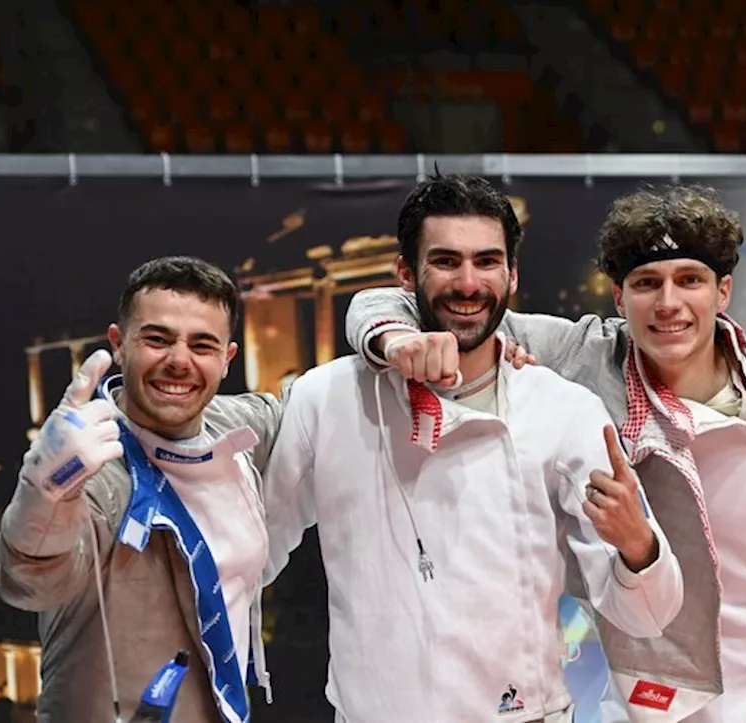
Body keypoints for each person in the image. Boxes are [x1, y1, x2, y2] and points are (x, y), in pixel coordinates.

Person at [345, 184, 746, 721]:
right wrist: (394, 339)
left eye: (690, 280)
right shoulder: (584, 356)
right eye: (646, 283)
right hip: (654, 690)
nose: (669, 303)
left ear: (723, 292)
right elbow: (428, 301)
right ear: (618, 296)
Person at [261, 174, 686, 723]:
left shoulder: (564, 409)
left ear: (512, 276)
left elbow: (647, 614)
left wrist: (637, 546)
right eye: (446, 261)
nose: (468, 283)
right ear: (406, 276)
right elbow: (255, 553)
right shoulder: (329, 398)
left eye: (487, 262)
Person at [0, 256, 283, 723]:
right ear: (119, 344)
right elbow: (29, 582)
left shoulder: (239, 425)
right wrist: (43, 493)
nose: (179, 361)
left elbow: (325, 395)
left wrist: (386, 333)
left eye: (202, 344)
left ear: (227, 358)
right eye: (157, 339)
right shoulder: (88, 472)